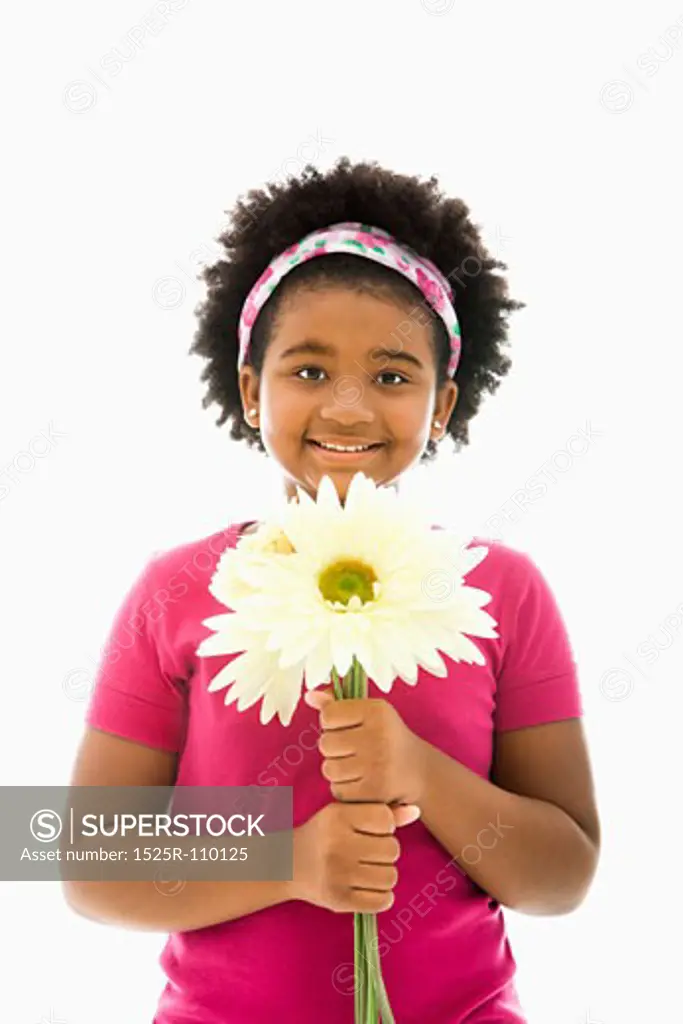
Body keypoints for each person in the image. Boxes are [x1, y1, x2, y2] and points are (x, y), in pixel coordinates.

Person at [64, 157, 601, 1023]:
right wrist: (286, 859)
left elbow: (563, 875)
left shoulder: (502, 590)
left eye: (392, 377)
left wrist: (417, 768)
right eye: (308, 372)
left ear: (442, 404)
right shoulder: (176, 591)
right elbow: (82, 860)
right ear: (249, 388)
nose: (348, 409)